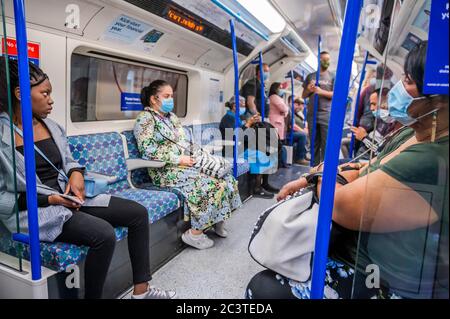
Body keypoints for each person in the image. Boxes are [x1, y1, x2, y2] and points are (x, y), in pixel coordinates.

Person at [246, 41, 448, 299]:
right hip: (357, 253)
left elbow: (339, 204)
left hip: (384, 279)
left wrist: (320, 177)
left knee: (264, 290)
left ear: (439, 98)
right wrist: (317, 175)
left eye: (407, 80)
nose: (398, 90)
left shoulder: (434, 158)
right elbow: (366, 166)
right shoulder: (412, 131)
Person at [0, 57, 175, 299]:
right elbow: (3, 198)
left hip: (71, 198)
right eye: (45, 93)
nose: (51, 100)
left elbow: (69, 161)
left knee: (137, 213)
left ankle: (141, 292)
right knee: (103, 234)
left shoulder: (51, 126)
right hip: (38, 210)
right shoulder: (2, 137)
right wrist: (51, 199)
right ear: (20, 94)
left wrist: (75, 174)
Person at [134, 80, 242, 250]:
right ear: (154, 99)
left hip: (185, 163)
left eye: (172, 96)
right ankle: (194, 234)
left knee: (226, 175)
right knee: (211, 184)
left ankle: (217, 218)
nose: (171, 100)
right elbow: (148, 151)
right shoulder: (145, 120)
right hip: (164, 169)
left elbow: (185, 142)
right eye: (166, 96)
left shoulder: (172, 118)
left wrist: (200, 154)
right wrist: (178, 159)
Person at [219, 96, 274, 198]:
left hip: (241, 147)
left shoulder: (237, 118)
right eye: (241, 105)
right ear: (234, 106)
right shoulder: (228, 118)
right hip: (232, 150)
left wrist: (252, 124)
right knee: (259, 156)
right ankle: (257, 188)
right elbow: (236, 136)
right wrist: (248, 124)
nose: (243, 108)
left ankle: (264, 184)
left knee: (266, 151)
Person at [302, 51, 335, 166]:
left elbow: (336, 95)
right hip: (312, 114)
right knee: (314, 144)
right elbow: (303, 95)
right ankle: (314, 169)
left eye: (328, 59)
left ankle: (324, 169)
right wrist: (308, 90)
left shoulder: (332, 76)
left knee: (326, 144)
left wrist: (321, 92)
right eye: (324, 59)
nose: (327, 62)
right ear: (319, 60)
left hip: (326, 114)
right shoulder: (310, 76)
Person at [286, 96, 309, 165]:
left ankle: (304, 155)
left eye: (301, 104)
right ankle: (300, 158)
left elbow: (304, 122)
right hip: (288, 133)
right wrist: (302, 131)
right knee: (303, 135)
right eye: (297, 104)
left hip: (295, 131)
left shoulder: (298, 114)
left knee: (305, 134)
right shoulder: (289, 112)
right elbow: (292, 126)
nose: (299, 106)